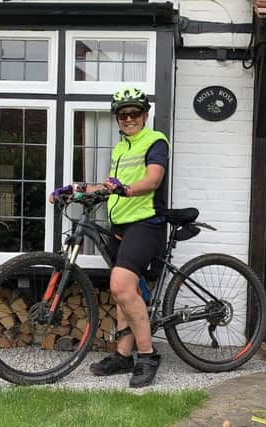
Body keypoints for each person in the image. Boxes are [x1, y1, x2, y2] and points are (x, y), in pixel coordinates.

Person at [49, 87, 169, 388]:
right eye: (123, 114)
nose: (129, 118)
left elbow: (153, 179)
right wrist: (75, 190)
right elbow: (108, 186)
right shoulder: (120, 148)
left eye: (134, 113)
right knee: (124, 290)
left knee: (121, 284)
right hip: (121, 225)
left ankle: (148, 355)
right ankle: (123, 354)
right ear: (117, 118)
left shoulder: (154, 141)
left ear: (144, 115)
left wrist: (126, 190)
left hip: (145, 223)